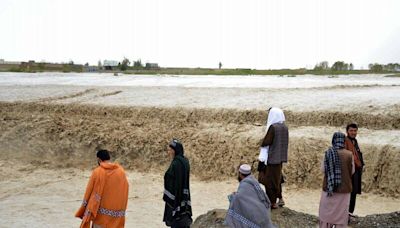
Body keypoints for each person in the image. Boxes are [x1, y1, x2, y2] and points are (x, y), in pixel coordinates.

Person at [75, 149, 129, 228]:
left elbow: (89, 191)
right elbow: (125, 189)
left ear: (99, 160)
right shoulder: (121, 171)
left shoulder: (97, 172)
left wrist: (84, 208)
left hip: (100, 215)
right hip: (117, 214)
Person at [319, 132, 354, 228]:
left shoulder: (328, 153)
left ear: (333, 140)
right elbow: (352, 171)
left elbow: (322, 170)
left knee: (326, 214)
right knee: (341, 216)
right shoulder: (349, 154)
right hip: (344, 189)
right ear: (343, 141)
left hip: (329, 189)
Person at [225, 164, 275, 228]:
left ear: (240, 174)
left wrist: (233, 196)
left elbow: (239, 198)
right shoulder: (254, 181)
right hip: (265, 215)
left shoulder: (244, 184)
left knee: (233, 199)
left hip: (257, 220)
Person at [257, 107, 289, 209]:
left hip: (271, 158)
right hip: (280, 158)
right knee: (278, 179)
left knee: (269, 181)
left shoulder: (273, 127)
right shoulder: (284, 127)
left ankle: (272, 203)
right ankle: (280, 198)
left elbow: (267, 142)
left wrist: (261, 143)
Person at [163, 139, 193, 228]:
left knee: (176, 219)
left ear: (174, 150)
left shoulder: (176, 163)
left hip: (176, 197)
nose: (169, 152)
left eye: (170, 150)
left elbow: (170, 178)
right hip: (184, 195)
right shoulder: (185, 161)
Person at [344, 123, 364, 217]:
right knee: (349, 193)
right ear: (347, 131)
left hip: (356, 171)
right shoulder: (345, 141)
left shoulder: (354, 141)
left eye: (355, 131)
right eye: (351, 130)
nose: (353, 132)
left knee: (353, 193)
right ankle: (345, 214)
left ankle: (350, 213)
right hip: (349, 172)